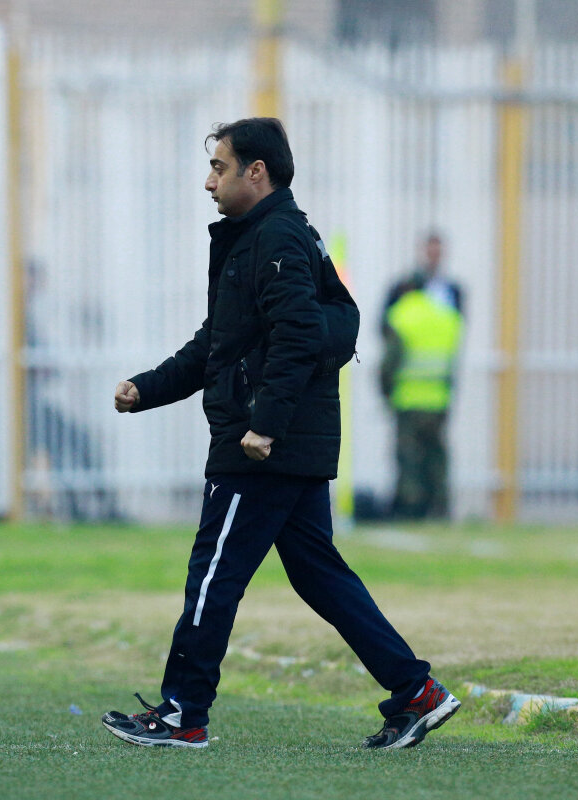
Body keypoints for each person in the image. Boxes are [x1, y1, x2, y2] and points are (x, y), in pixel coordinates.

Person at [101, 118, 459, 750]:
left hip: (262, 446)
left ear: (256, 171)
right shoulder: (261, 237)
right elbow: (219, 342)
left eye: (219, 167)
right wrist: (148, 388)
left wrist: (264, 425)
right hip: (286, 442)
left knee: (214, 574)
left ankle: (184, 712)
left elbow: (298, 335)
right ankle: (415, 692)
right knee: (320, 576)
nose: (209, 181)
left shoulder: (276, 238)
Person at [379, 232, 464, 519]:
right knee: (436, 456)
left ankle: (410, 508)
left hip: (409, 395)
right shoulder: (448, 314)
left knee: (410, 459)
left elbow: (390, 351)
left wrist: (385, 389)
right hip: (438, 394)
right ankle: (439, 508)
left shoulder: (403, 313)